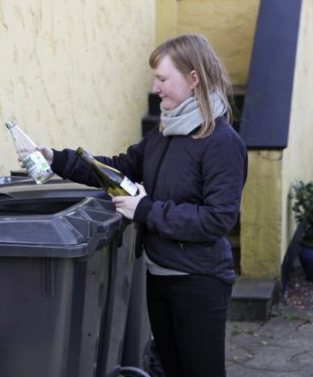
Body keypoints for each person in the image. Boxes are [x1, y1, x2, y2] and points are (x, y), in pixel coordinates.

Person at [20, 34, 247, 377]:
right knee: (171, 369)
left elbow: (217, 219)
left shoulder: (221, 143)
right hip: (159, 275)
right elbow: (119, 169)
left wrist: (146, 210)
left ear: (193, 78)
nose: (156, 88)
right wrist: (55, 159)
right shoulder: (163, 132)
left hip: (199, 283)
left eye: (162, 79)